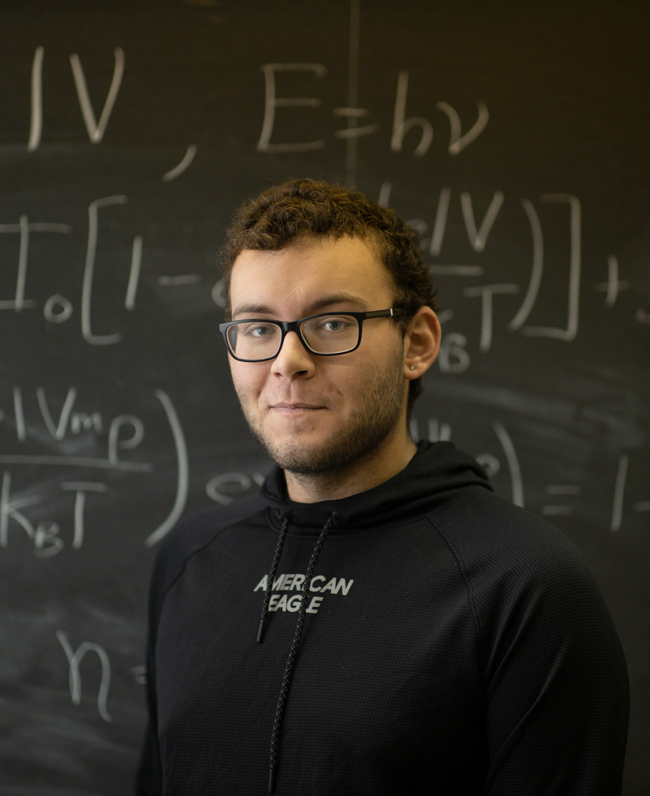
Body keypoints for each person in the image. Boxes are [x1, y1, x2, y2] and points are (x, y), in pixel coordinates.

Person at [137, 178, 629, 795]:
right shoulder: (190, 561)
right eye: (258, 328)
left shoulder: (524, 584)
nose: (288, 360)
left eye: (333, 321)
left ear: (416, 344)